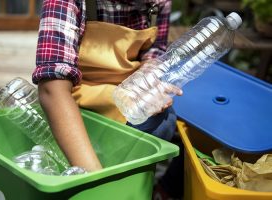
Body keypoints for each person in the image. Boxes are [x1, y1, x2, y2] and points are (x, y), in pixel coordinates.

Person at [32, 0, 183, 193]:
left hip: (124, 96)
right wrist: (97, 183)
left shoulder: (157, 2)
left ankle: (130, 186)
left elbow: (154, 49)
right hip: (77, 101)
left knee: (164, 120)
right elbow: (52, 89)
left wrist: (150, 71)